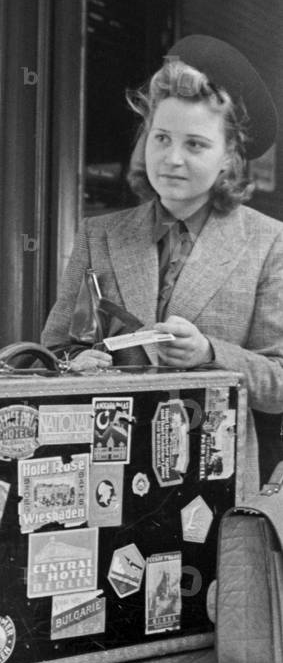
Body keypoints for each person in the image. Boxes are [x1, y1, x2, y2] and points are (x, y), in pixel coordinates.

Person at [42, 34, 282, 496]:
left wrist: (210, 353)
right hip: (107, 476)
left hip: (215, 483)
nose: (172, 158)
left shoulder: (269, 243)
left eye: (195, 144)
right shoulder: (101, 234)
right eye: (162, 138)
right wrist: (76, 362)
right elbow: (56, 349)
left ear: (228, 157)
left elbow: (279, 384)